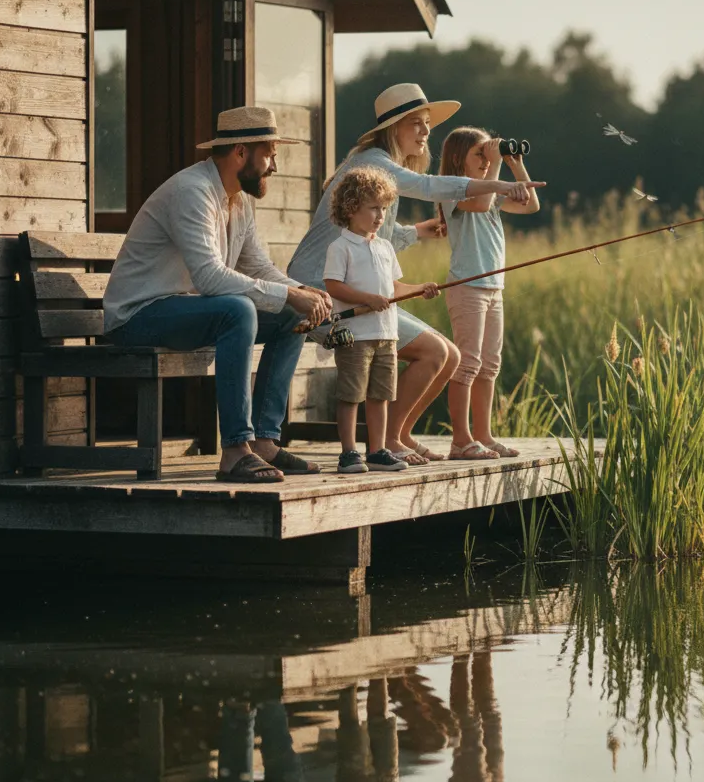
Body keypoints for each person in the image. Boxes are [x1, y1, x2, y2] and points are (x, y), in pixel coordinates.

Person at [287, 83, 545, 466]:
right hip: (321, 294)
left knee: (451, 355)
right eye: (416, 123)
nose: (426, 132)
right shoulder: (373, 162)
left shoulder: (380, 170)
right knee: (436, 351)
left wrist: (418, 232)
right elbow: (427, 186)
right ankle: (388, 439)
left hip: (363, 293)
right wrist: (499, 183)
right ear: (393, 129)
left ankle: (399, 435)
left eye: (427, 124)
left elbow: (380, 240)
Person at [103, 106, 332, 484]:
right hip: (137, 317)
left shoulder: (238, 200)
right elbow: (210, 278)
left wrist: (299, 292)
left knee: (290, 316)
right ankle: (234, 451)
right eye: (270, 153)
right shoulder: (193, 192)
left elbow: (257, 266)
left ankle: (263, 441)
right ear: (241, 152)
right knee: (238, 311)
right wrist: (289, 294)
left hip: (181, 310)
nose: (275, 165)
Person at [323, 166, 441, 475]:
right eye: (374, 207)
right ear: (351, 208)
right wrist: (366, 299)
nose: (381, 215)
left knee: (380, 395)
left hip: (386, 335)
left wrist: (419, 289)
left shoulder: (385, 247)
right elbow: (333, 286)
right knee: (351, 395)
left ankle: (377, 451)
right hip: (355, 335)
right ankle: (349, 453)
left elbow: (393, 289)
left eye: (384, 208)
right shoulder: (340, 247)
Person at [437, 128, 540, 460]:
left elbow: (531, 205)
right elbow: (480, 203)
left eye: (487, 155)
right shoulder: (452, 190)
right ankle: (461, 440)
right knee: (467, 363)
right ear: (457, 159)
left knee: (489, 365)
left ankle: (483, 435)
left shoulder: (492, 194)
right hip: (467, 286)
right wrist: (495, 168)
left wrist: (515, 166)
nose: (485, 162)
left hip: (494, 288)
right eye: (479, 155)